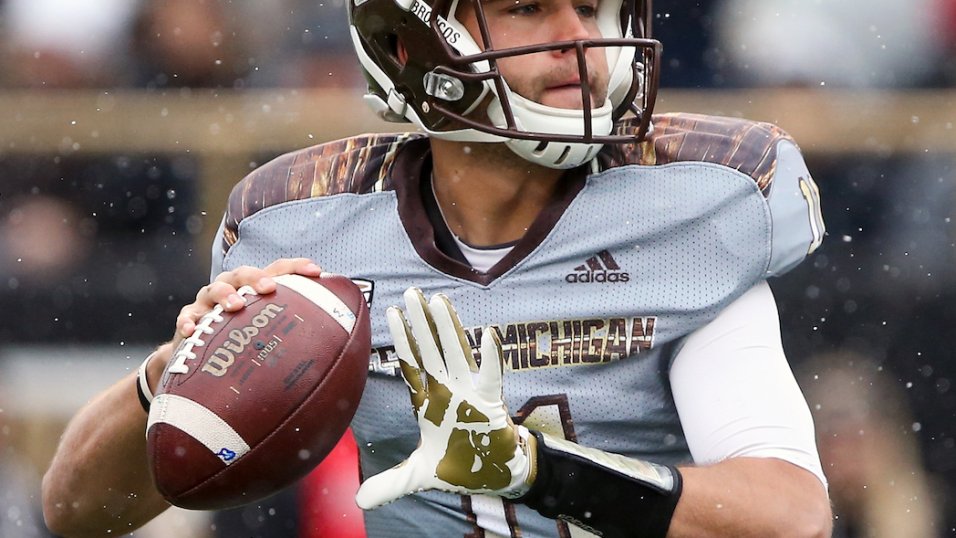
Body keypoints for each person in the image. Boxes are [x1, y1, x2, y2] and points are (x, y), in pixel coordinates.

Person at [41, 0, 833, 536]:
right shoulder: (311, 229)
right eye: (528, 5)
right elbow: (75, 511)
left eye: (588, 6)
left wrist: (537, 468)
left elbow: (793, 516)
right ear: (407, 42)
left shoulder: (688, 211)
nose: (576, 37)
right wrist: (174, 374)